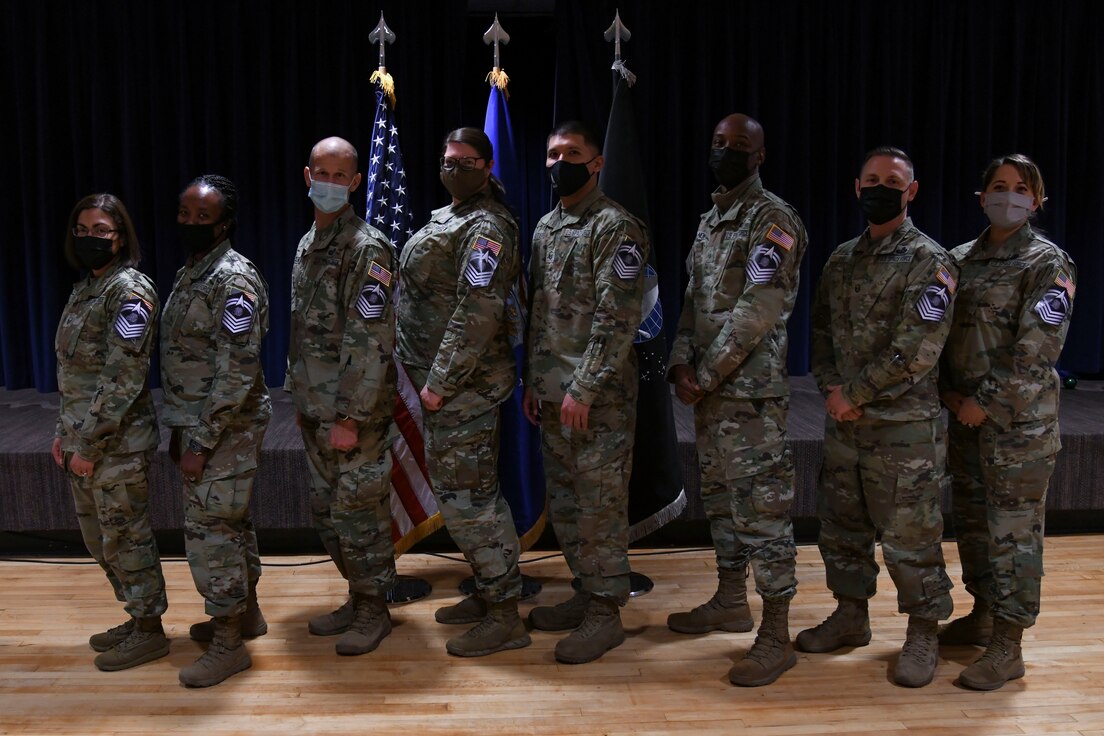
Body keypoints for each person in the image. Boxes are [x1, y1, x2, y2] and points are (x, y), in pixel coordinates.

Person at [801, 147, 957, 688]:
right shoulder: (841, 259)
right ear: (856, 187)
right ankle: (851, 616)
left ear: (911, 191)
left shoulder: (931, 262)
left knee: (910, 537)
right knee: (842, 529)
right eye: (872, 179)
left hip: (903, 430)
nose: (880, 188)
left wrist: (857, 393)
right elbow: (819, 334)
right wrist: (829, 387)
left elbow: (918, 348)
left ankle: (923, 632)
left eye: (893, 181)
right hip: (845, 426)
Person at [666, 113, 807, 687]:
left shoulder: (773, 219)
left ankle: (776, 634)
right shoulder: (711, 219)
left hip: (748, 394)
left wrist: (707, 371)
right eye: (718, 142)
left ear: (760, 155)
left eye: (739, 145)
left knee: (763, 512)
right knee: (722, 502)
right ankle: (730, 599)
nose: (725, 152)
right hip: (708, 390)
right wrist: (679, 360)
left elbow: (759, 309)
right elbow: (694, 301)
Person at [939, 154, 1075, 690]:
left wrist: (986, 402)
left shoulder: (1049, 264)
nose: (1009, 194)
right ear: (982, 196)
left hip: (1019, 428)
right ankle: (984, 613)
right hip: (963, 419)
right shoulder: (957, 260)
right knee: (973, 526)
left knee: (1013, 535)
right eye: (999, 185)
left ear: (1036, 201)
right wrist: (949, 394)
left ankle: (1009, 644)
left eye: (1022, 188)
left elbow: (1037, 349)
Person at [395, 127, 529, 657]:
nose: (455, 168)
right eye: (449, 159)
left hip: (462, 389)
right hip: (443, 388)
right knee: (462, 498)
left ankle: (504, 614)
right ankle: (487, 588)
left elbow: (477, 314)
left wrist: (437, 384)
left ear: (488, 166)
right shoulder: (451, 217)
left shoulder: (488, 228)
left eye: (467, 161)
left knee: (470, 502)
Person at [522, 120, 648, 664]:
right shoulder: (548, 227)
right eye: (552, 153)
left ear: (596, 163)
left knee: (599, 508)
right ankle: (585, 591)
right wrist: (536, 382)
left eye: (571, 153)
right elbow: (538, 314)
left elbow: (617, 318)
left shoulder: (616, 227)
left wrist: (585, 386)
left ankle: (607, 613)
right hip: (553, 396)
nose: (559, 162)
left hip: (597, 400)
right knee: (570, 506)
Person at [286, 136, 398, 656]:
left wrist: (350, 416)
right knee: (328, 511)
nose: (329, 182)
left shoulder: (366, 248)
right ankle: (358, 595)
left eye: (340, 175)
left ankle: (376, 608)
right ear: (308, 176)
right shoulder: (308, 243)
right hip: (315, 406)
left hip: (354, 413)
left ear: (355, 183)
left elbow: (370, 340)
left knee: (359, 513)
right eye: (321, 173)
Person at [160, 174, 271, 687]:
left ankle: (229, 645)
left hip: (224, 428)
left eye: (202, 217)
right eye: (185, 214)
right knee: (230, 523)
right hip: (200, 423)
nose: (190, 223)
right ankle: (244, 614)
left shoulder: (233, 278)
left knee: (211, 534)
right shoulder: (193, 272)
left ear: (225, 222)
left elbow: (238, 369)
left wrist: (202, 440)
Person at [53, 193, 169, 672]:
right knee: (99, 539)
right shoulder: (86, 289)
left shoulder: (130, 291)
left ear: (121, 237)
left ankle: (150, 629)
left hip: (115, 445)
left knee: (126, 538)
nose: (90, 238)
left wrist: (89, 444)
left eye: (101, 230)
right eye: (82, 230)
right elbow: (73, 375)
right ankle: (135, 615)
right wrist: (65, 433)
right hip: (81, 441)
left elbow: (122, 378)